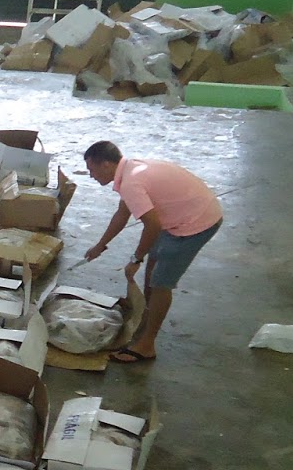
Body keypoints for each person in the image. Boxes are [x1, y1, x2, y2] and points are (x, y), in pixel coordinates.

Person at [81, 139, 223, 364]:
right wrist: (100, 245)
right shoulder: (130, 169)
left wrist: (135, 258)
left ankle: (147, 345)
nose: (91, 175)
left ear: (106, 165)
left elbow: (153, 225)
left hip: (196, 223)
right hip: (187, 211)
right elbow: (122, 213)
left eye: (92, 170)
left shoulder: (131, 182)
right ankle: (146, 313)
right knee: (154, 260)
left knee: (161, 282)